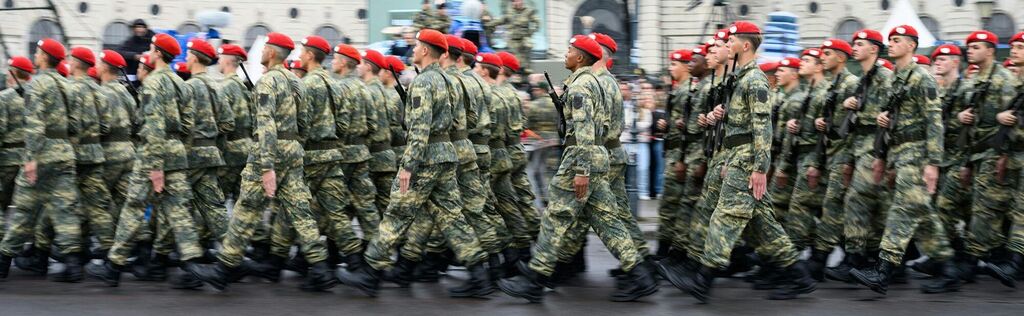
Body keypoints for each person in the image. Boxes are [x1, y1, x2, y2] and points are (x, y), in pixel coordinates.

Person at [497, 34, 657, 303]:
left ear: (581, 57)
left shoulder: (582, 86)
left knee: (555, 217)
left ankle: (536, 278)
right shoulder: (594, 81)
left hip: (580, 158)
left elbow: (584, 130)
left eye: (569, 50)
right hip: (595, 158)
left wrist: (581, 170)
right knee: (607, 221)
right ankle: (641, 274)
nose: (565, 55)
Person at [338, 29, 492, 298]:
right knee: (452, 217)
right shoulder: (450, 80)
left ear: (424, 50)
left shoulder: (424, 82)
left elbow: (419, 128)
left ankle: (371, 272)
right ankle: (479, 273)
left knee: (397, 212)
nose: (412, 49)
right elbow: (464, 118)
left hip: (425, 158)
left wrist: (409, 165)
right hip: (446, 153)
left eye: (416, 45)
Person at [189, 32, 337, 291]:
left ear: (271, 53)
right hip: (291, 150)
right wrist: (294, 148)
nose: (260, 53)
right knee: (300, 211)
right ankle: (321, 268)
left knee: (246, 209)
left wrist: (267, 165)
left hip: (269, 151)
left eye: (264, 48)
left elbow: (265, 123)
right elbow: (304, 122)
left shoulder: (267, 82)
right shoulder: (295, 81)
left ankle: (225, 268)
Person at [683, 21, 816, 302]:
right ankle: (799, 275)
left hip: (747, 159)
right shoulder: (741, 78)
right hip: (737, 155)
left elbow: (762, 127)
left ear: (745, 45)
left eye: (731, 41)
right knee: (763, 224)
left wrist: (759, 169)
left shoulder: (754, 79)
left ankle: (702, 278)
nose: (726, 45)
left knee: (726, 216)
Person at [84, 34, 217, 288]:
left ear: (157, 53)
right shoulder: (180, 83)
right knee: (179, 208)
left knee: (133, 206)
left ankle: (114, 265)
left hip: (152, 155)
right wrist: (176, 149)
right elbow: (188, 124)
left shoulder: (153, 84)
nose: (149, 50)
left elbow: (154, 125)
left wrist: (156, 166)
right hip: (176, 151)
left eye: (151, 48)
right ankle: (191, 262)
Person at [849, 24, 960, 294]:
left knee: (902, 210)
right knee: (921, 213)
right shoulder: (895, 79)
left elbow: (935, 122)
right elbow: (891, 121)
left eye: (897, 40)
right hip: (899, 153)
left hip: (917, 153)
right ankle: (948, 267)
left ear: (911, 45)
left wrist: (933, 163)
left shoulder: (922, 78)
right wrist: (881, 153)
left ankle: (884, 270)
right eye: (891, 40)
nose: (892, 44)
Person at [0, 39, 86, 282]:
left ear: (44, 57)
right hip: (64, 154)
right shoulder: (69, 85)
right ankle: (73, 265)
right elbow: (76, 126)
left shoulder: (37, 85)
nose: (35, 56)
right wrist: (68, 150)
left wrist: (30, 159)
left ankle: (3, 261)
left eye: (37, 52)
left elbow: (34, 124)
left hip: (42, 153)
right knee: (65, 210)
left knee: (24, 210)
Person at [950, 29, 1019, 284]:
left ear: (991, 50)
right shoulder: (972, 80)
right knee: (987, 209)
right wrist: (960, 118)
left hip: (996, 152)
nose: (971, 50)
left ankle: (972, 262)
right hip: (975, 153)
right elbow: (962, 121)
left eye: (977, 47)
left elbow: (1012, 123)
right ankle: (997, 258)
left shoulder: (1004, 79)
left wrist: (1003, 155)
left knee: (985, 209)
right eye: (969, 47)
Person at [829, 30, 896, 282]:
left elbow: (895, 114)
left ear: (874, 49)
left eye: (860, 44)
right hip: (859, 146)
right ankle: (870, 258)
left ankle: (857, 258)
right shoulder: (862, 80)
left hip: (877, 147)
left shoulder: (886, 78)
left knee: (858, 199)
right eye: (853, 44)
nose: (854, 48)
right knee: (873, 206)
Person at [182, 38, 234, 258]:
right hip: (211, 154)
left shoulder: (188, 87)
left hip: (191, 154)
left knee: (177, 203)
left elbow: (181, 124)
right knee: (213, 208)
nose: (185, 58)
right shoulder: (216, 86)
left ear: (194, 58)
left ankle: (180, 255)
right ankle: (234, 252)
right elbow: (228, 123)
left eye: (187, 54)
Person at [987, 31, 1024, 285]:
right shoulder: (1018, 84)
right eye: (1013, 46)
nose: (1013, 50)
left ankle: (1014, 265)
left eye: (1020, 47)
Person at [0, 56, 33, 243]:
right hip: (29, 159)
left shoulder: (4, 98)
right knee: (24, 206)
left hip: (6, 160)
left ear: (13, 72)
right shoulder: (36, 96)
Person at [525, 81, 558, 207]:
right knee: (552, 170)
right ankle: (552, 197)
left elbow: (528, 126)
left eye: (536, 89)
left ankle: (541, 198)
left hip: (539, 142)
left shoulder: (533, 105)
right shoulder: (556, 104)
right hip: (555, 141)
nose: (534, 91)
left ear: (541, 90)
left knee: (536, 170)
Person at [497, 0, 540, 72]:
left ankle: (527, 68)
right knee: (515, 56)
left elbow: (537, 22)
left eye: (517, 1)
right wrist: (489, 24)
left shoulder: (528, 11)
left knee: (528, 45)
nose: (515, 3)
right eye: (513, 2)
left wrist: (531, 32)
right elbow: (501, 20)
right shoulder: (509, 11)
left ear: (521, 1)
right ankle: (517, 69)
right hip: (513, 38)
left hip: (524, 37)